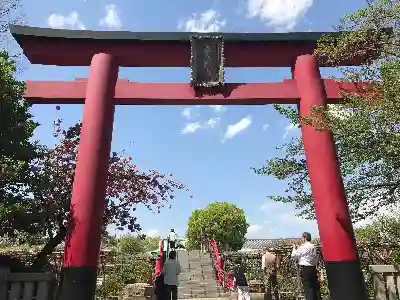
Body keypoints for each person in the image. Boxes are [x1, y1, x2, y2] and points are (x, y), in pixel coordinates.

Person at [291, 232, 322, 300]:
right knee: (315, 287)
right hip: (313, 268)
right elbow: (316, 258)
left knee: (308, 288)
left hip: (305, 269)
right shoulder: (313, 247)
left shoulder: (304, 247)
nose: (301, 239)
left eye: (302, 237)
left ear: (304, 238)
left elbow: (294, 255)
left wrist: (294, 248)